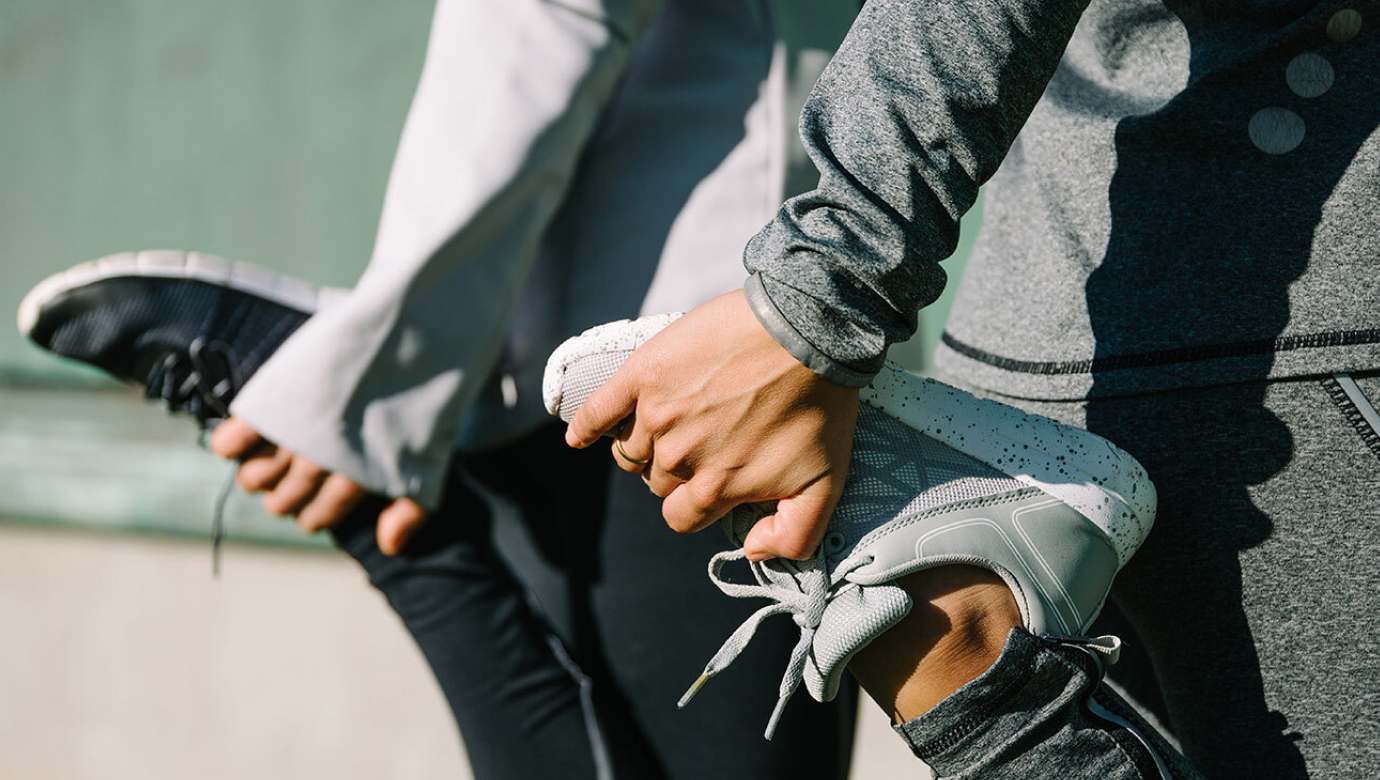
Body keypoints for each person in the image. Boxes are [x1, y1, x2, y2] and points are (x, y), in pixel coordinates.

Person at [19, 1, 866, 778]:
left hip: (701, 339)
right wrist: (382, 375)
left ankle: (393, 525)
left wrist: (374, 385)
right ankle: (390, 511)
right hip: (696, 339)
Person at [563, 0, 1380, 778]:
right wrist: (813, 300)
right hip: (1293, 354)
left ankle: (976, 674)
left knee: (1009, 723)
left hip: (1032, 348)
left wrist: (815, 297)